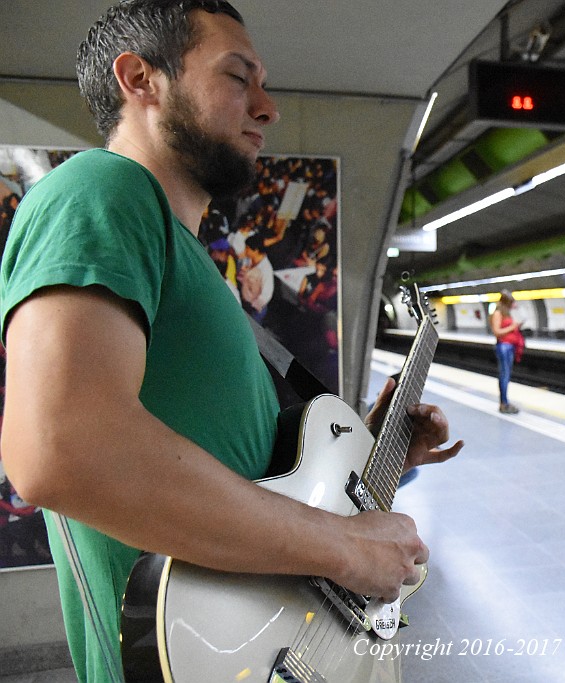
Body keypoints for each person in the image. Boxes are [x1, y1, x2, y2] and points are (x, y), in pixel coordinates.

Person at [0, 2, 462, 680]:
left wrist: (373, 443)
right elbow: (61, 447)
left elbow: (236, 460)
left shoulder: (192, 262)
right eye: (239, 76)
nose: (267, 106)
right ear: (141, 79)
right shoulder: (100, 190)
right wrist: (344, 546)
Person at [490, 290, 524, 414]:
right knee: (504, 375)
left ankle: (505, 402)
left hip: (510, 346)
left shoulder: (508, 313)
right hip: (503, 347)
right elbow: (497, 332)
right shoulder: (498, 313)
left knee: (506, 375)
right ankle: (504, 403)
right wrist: (512, 327)